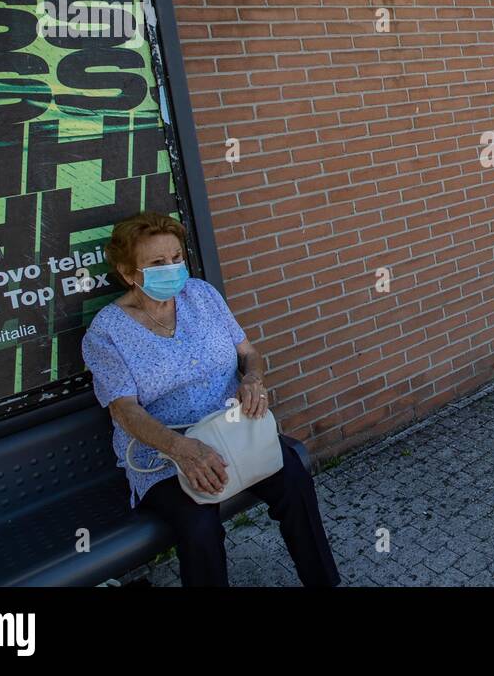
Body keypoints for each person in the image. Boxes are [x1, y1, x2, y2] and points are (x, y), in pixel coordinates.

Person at [81, 210, 341, 587]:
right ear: (127, 272)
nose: (171, 268)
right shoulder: (106, 332)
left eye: (175, 258)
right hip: (165, 452)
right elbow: (125, 410)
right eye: (157, 263)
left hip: (232, 432)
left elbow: (248, 352)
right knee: (200, 525)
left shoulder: (201, 295)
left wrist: (253, 377)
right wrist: (183, 449)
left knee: (294, 480)